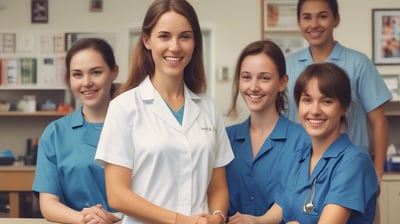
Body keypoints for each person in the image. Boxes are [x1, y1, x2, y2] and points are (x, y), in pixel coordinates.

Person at [94, 0, 234, 224]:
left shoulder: (208, 108)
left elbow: (218, 187)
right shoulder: (124, 107)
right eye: (164, 36)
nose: (175, 46)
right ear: (147, 40)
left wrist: (217, 217)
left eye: (185, 36)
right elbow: (117, 195)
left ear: (195, 43)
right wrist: (182, 220)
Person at [245, 62, 378, 224]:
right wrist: (255, 221)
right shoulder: (298, 157)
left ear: (344, 107)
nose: (315, 111)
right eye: (307, 100)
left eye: (326, 101)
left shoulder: (354, 162)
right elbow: (281, 206)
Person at [285, 0, 392, 186]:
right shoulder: (287, 66)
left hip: (351, 173)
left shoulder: (358, 63)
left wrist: (377, 173)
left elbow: (379, 121)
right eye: (307, 17)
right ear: (299, 23)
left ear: (336, 20)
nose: (314, 24)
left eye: (323, 16)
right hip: (301, 173)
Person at [32, 38, 121, 224]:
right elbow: (48, 204)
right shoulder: (55, 134)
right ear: (69, 79)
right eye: (77, 74)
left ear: (114, 72)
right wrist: (85, 218)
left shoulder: (136, 127)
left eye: (96, 72)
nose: (87, 82)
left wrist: (116, 217)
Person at [225, 40, 310, 223]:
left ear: (282, 83)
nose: (253, 87)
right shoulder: (225, 139)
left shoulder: (303, 140)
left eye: (264, 78)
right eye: (246, 77)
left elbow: (299, 201)